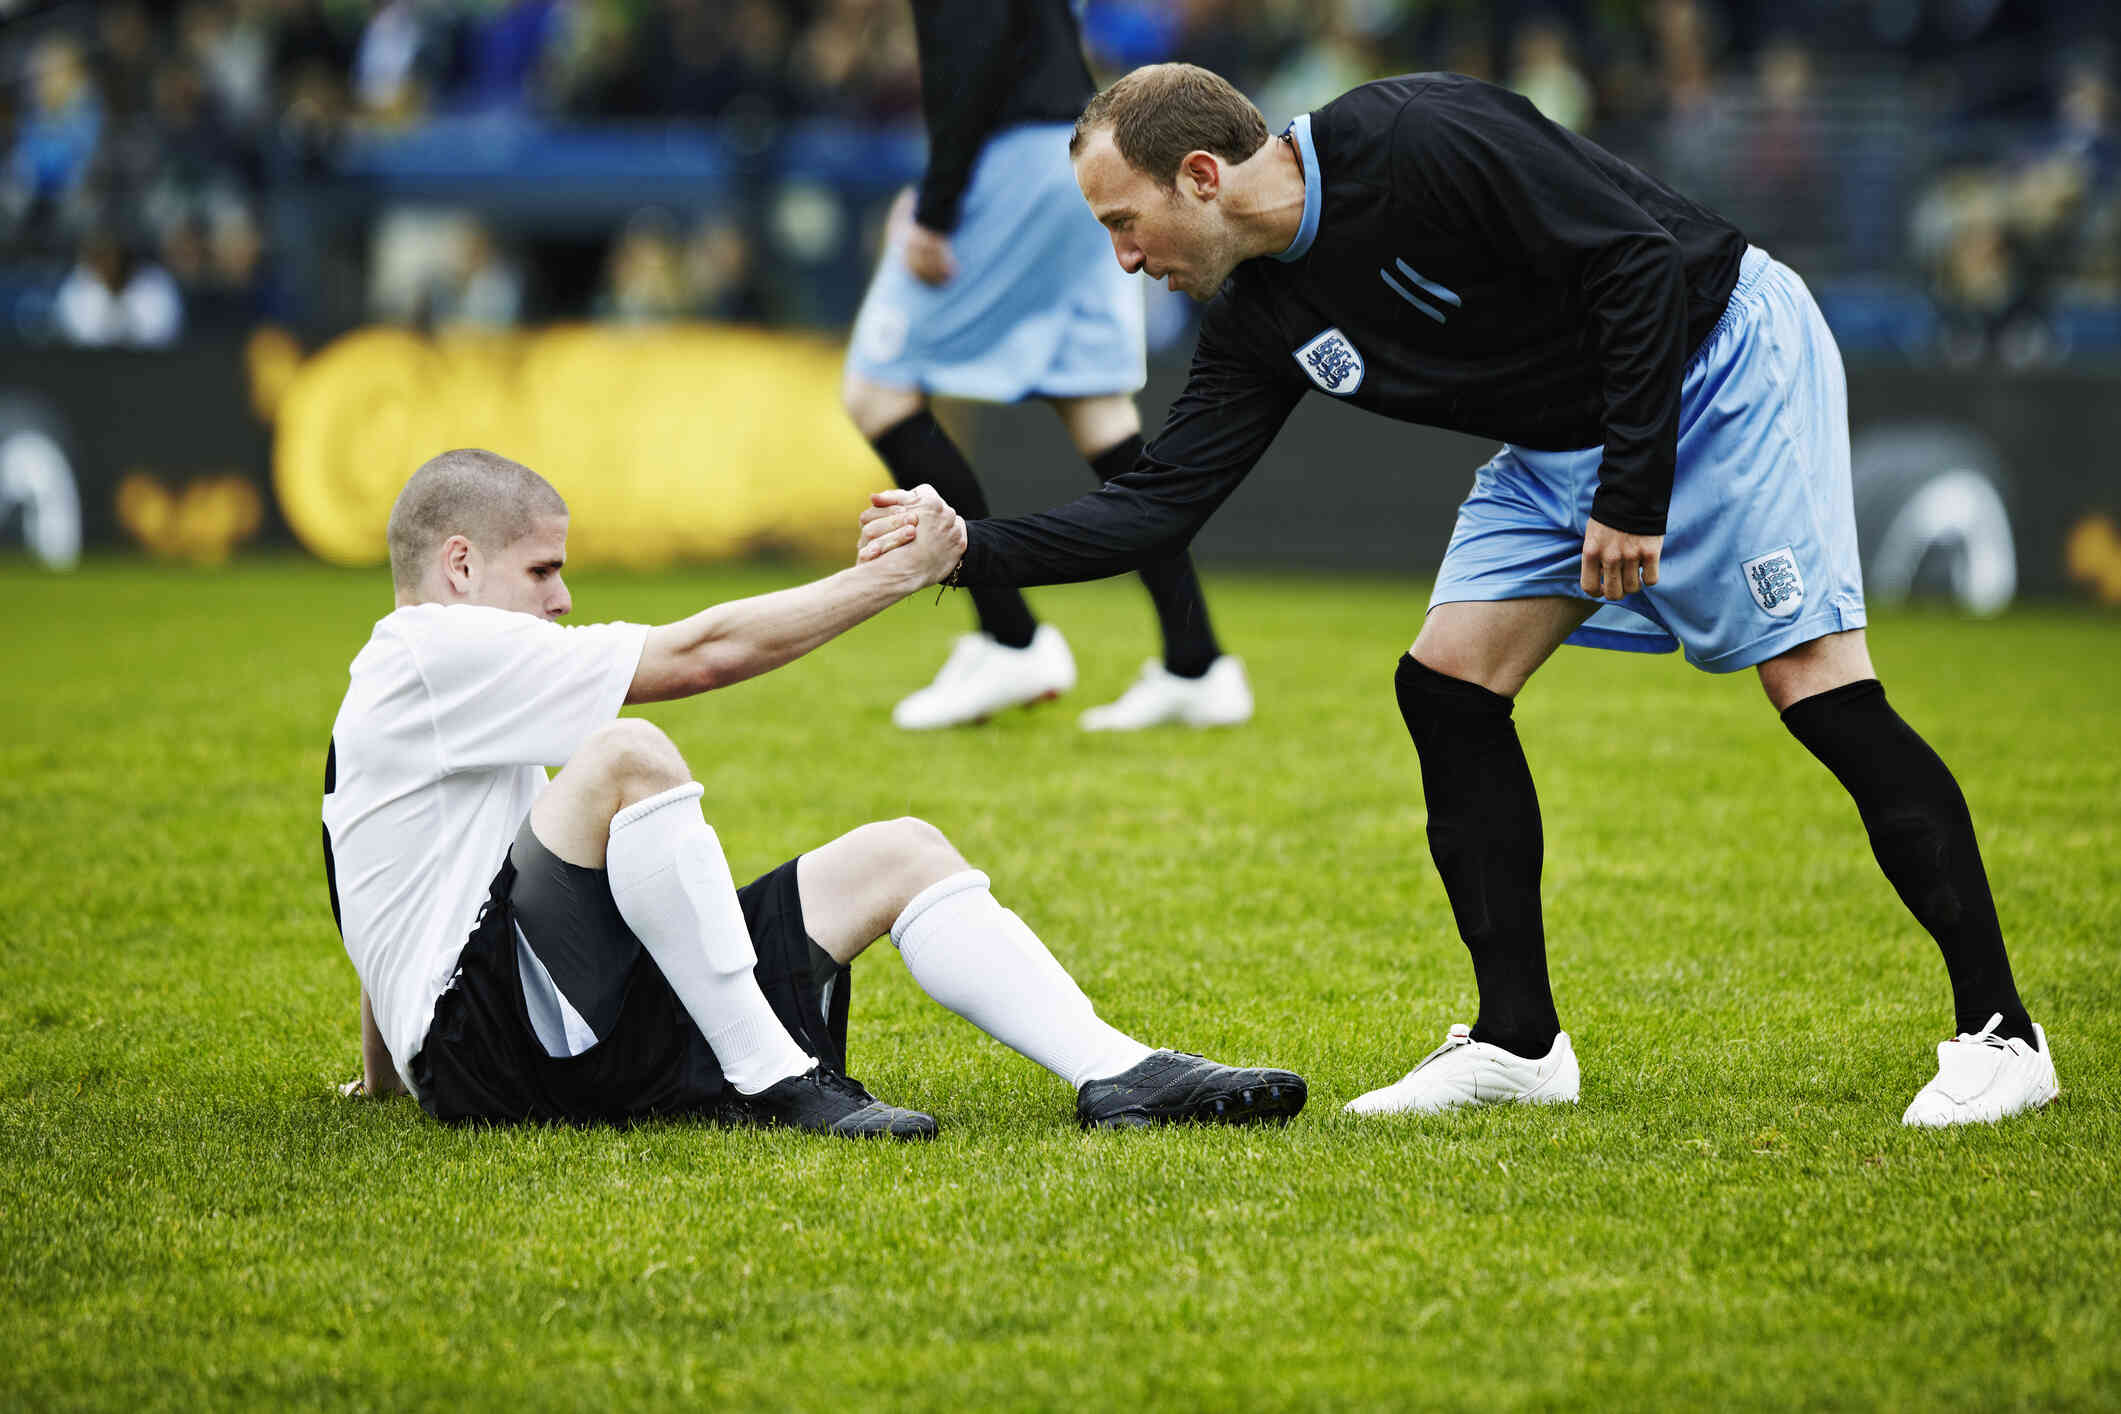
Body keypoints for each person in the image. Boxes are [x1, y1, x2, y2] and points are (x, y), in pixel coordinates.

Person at [860, 64, 2059, 1128]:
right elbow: (1157, 506)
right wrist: (963, 549)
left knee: (1817, 689)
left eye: (1126, 224)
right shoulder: (1261, 319)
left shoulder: (1415, 135)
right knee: (1445, 685)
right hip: (1563, 439)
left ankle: (2004, 1034)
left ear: (1204, 175)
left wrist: (1635, 493)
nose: (1125, 259)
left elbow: (1637, 261)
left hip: (1718, 359)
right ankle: (1519, 1043)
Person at [325, 448, 1307, 1137]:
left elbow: (381, 888)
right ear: (459, 564)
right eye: (543, 569)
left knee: (904, 851)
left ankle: (1115, 1070)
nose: (562, 598)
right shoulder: (428, 647)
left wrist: (380, 1074)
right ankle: (779, 1079)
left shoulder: (408, 690)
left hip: (534, 1034)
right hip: (495, 1053)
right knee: (627, 756)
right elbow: (703, 653)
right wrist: (895, 575)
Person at [841, 0, 1251, 732]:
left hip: (1007, 162)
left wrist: (935, 208)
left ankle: (1010, 637)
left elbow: (976, 59)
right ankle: (1197, 661)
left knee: (876, 392)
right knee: (1097, 414)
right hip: (1067, 158)